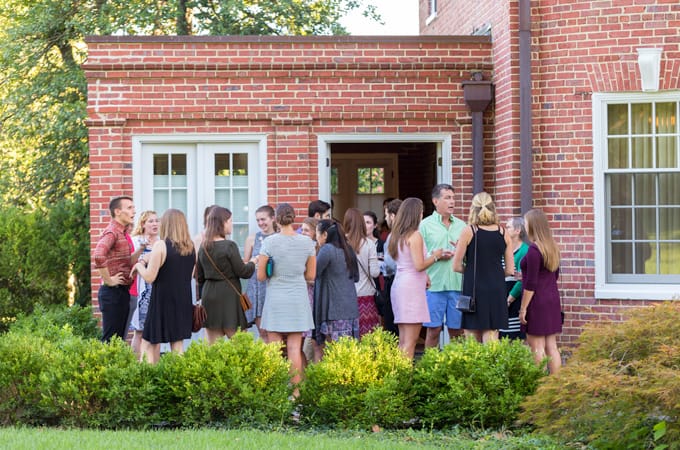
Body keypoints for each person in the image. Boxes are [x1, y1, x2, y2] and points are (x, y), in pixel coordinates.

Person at [257, 203, 316, 396]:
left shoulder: (270, 242)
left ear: (276, 219)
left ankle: (277, 391)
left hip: (276, 298)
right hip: (297, 298)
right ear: (294, 218)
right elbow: (311, 276)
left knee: (274, 349)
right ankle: (296, 393)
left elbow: (260, 276)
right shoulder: (307, 243)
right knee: (294, 348)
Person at [132, 209, 196, 364]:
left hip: (162, 300)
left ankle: (146, 379)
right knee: (177, 344)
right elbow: (192, 273)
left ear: (166, 224)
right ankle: (177, 380)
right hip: (183, 300)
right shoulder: (191, 246)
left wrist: (138, 265)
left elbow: (149, 277)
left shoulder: (161, 245)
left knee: (148, 342)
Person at [452, 192, 515, 344]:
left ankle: (475, 367)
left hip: (474, 288)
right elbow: (510, 270)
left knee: (472, 335)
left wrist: (471, 269)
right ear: (493, 208)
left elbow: (456, 265)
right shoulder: (503, 232)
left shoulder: (469, 231)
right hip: (496, 288)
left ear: (473, 209)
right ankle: (490, 367)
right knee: (492, 334)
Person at [388, 197, 445, 359]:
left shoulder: (397, 236)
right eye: (421, 212)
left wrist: (425, 275)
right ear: (415, 214)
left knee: (403, 339)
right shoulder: (415, 235)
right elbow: (419, 265)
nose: (422, 215)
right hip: (411, 288)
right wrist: (436, 256)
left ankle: (399, 376)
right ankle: (405, 379)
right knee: (411, 341)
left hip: (400, 283)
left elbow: (407, 262)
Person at [197, 207, 258, 344]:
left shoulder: (203, 247)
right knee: (240, 343)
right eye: (230, 220)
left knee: (213, 347)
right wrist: (253, 262)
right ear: (222, 223)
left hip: (209, 295)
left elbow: (199, 277)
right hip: (228, 295)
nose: (232, 223)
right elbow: (244, 272)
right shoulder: (229, 246)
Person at [419, 184, 467, 348]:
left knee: (457, 332)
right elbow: (417, 256)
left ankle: (457, 369)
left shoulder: (462, 226)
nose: (452, 202)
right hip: (434, 286)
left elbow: (470, 256)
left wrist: (463, 252)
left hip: (457, 285)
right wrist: (436, 256)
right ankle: (430, 369)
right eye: (447, 198)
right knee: (433, 331)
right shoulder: (424, 225)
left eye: (453, 198)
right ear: (435, 201)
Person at [519, 209, 563, 374]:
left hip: (537, 302)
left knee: (536, 346)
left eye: (525, 223)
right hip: (552, 299)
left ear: (532, 226)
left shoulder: (534, 250)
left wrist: (523, 308)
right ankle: (554, 386)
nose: (524, 226)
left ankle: (540, 386)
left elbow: (531, 283)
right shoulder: (552, 248)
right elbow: (553, 275)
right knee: (552, 346)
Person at [93, 196, 141, 342]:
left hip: (122, 292)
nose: (134, 211)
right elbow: (98, 255)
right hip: (113, 293)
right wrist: (109, 280)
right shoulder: (112, 232)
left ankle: (115, 365)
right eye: (129, 208)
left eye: (133, 207)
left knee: (118, 340)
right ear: (118, 211)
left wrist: (142, 249)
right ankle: (105, 365)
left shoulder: (122, 233)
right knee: (110, 340)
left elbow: (126, 262)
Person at [313, 220, 360, 361]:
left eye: (317, 233)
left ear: (325, 234)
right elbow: (356, 277)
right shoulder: (348, 249)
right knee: (347, 354)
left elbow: (313, 273)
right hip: (350, 308)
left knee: (334, 353)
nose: (316, 237)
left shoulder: (327, 250)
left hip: (333, 309)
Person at [343, 208, 380, 337]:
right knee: (367, 338)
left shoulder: (341, 244)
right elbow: (375, 273)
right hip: (366, 297)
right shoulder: (369, 244)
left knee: (347, 338)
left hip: (345, 297)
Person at [243, 205, 277, 339]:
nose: (260, 223)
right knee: (262, 331)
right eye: (258, 220)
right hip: (255, 288)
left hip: (273, 286)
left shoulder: (279, 238)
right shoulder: (252, 239)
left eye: (263, 219)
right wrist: (253, 261)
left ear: (273, 218)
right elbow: (245, 265)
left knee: (274, 332)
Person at [130, 211, 160, 355]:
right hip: (142, 291)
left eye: (156, 221)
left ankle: (155, 365)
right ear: (142, 224)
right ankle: (136, 365)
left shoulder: (162, 243)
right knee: (140, 331)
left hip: (158, 291)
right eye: (150, 221)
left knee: (156, 332)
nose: (155, 224)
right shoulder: (136, 241)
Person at [499, 217, 529, 340]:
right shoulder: (503, 249)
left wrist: (509, 299)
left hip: (514, 298)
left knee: (514, 337)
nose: (505, 230)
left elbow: (522, 280)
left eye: (508, 227)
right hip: (501, 297)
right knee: (501, 336)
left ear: (517, 231)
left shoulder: (525, 251)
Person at [381, 198, 402, 335]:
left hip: (394, 281)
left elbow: (390, 264)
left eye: (386, 214)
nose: (386, 218)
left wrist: (380, 265)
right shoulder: (411, 233)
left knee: (392, 325)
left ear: (393, 216)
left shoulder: (393, 236)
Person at [300, 216, 319, 363]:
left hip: (313, 294)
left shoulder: (317, 250)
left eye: (307, 230)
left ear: (314, 232)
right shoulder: (302, 247)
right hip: (304, 294)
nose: (303, 233)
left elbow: (314, 277)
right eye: (302, 230)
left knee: (311, 338)